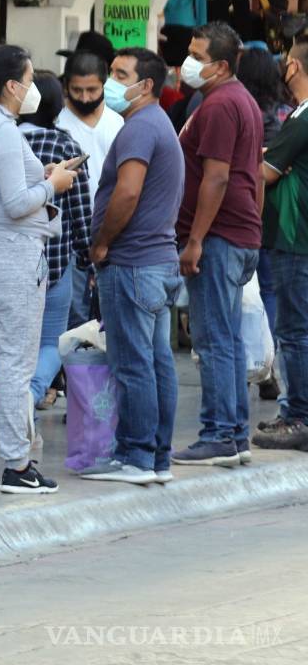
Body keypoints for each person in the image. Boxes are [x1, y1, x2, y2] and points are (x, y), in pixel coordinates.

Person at [0, 45, 78, 494]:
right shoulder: (2, 133)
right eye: (26, 81)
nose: (31, 89)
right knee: (15, 364)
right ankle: (18, 465)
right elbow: (16, 203)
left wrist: (42, 176)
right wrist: (52, 184)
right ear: (10, 86)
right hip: (12, 256)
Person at [81, 48, 185, 484]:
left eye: (119, 74)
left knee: (133, 365)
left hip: (133, 264)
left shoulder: (140, 128)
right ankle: (156, 457)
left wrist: (102, 243)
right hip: (156, 263)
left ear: (144, 86)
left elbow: (127, 194)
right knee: (157, 362)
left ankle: (137, 457)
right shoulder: (155, 123)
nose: (109, 82)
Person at [172, 22, 264, 468]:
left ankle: (218, 434)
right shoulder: (238, 100)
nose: (187, 61)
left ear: (221, 65)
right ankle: (235, 434)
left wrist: (195, 240)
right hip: (237, 234)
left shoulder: (222, 106)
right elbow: (253, 178)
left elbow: (219, 176)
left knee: (212, 341)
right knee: (226, 339)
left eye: (197, 55)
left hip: (219, 237)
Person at [18, 71, 92, 411]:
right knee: (50, 342)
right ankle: (30, 396)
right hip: (55, 262)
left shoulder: (7, 139)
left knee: (13, 342)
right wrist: (90, 257)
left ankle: (9, 397)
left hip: (8, 256)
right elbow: (81, 212)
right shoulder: (66, 147)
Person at [253, 41, 308, 449]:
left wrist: (264, 163)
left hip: (294, 237)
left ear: (292, 66)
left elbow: (264, 174)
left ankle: (298, 416)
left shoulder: (302, 119)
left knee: (294, 332)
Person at [236, 48, 291, 404]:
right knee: (268, 291)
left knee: (240, 294)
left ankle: (246, 365)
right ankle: (265, 365)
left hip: (242, 211)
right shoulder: (285, 114)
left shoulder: (239, 110)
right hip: (277, 214)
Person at [56, 50, 124, 326]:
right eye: (77, 90)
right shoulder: (58, 125)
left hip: (113, 232)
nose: (85, 97)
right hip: (71, 238)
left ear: (104, 85)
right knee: (75, 320)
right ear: (66, 87)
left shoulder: (117, 122)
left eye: (92, 90)